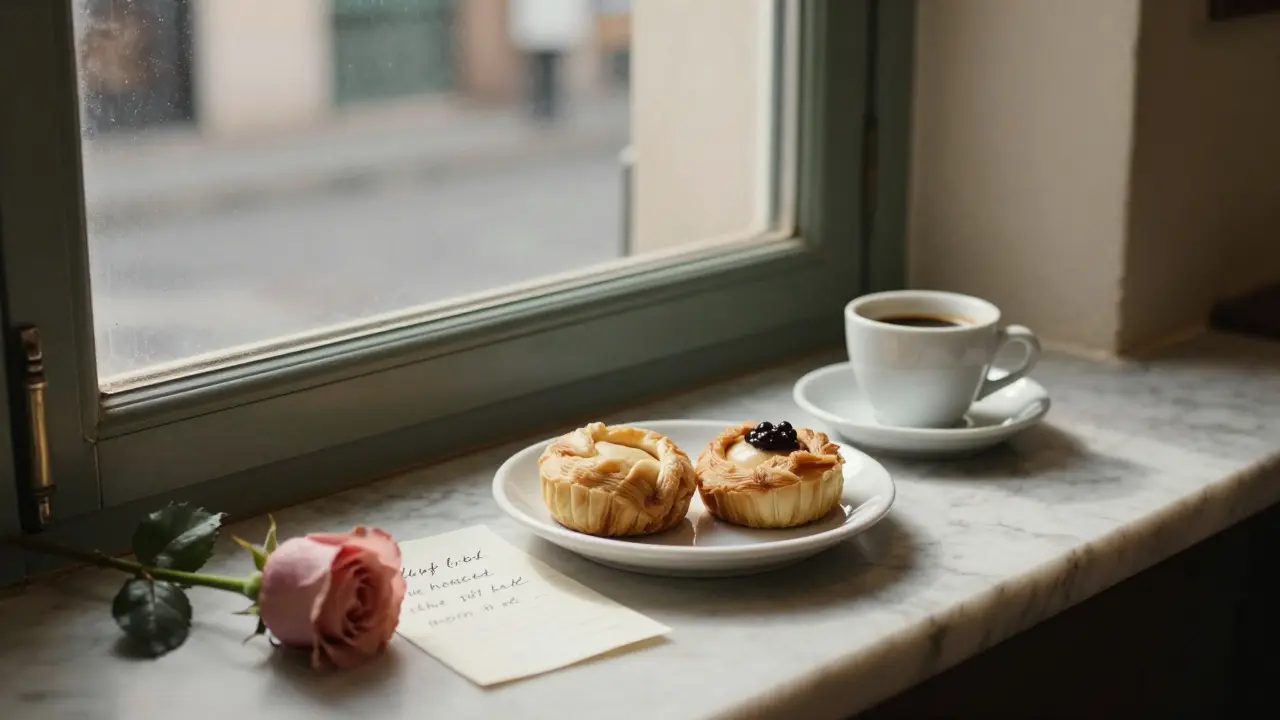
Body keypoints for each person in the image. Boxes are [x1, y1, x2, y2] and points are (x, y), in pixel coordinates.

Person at [507, 0, 591, 122]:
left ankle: (548, 106)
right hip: (544, 29)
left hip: (549, 29)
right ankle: (543, 106)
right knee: (542, 71)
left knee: (547, 70)